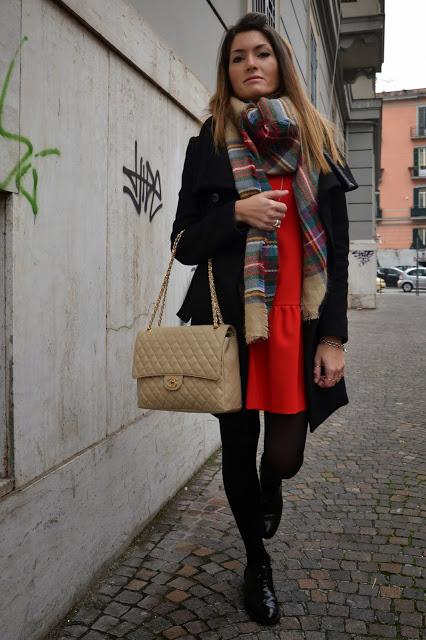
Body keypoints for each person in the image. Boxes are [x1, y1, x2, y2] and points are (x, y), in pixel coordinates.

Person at [170, 12, 357, 626]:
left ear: (281, 63)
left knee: (284, 455)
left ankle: (270, 485)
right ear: (226, 73)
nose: (251, 63)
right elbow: (182, 242)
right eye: (237, 57)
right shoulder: (208, 141)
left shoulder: (318, 138)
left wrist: (332, 334)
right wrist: (238, 213)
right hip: (233, 325)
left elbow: (333, 245)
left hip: (295, 323)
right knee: (236, 443)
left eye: (263, 53)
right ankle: (256, 562)